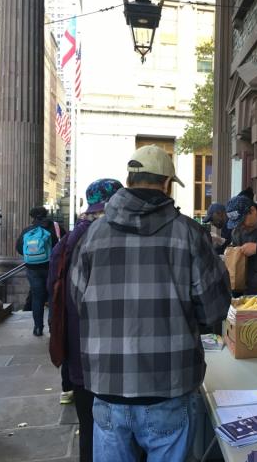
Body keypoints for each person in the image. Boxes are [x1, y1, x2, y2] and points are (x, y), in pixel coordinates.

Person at [69, 145, 231, 461]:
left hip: (109, 382)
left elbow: (78, 301)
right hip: (169, 383)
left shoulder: (93, 235)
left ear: (129, 180)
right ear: (167, 184)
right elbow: (214, 307)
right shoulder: (188, 233)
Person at [47, 178, 123, 462]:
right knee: (113, 432)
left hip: (77, 349)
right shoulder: (108, 237)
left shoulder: (68, 240)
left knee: (89, 429)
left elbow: (53, 293)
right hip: (109, 352)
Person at [16, 206, 65, 336]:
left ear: (32, 216)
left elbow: (20, 249)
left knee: (37, 298)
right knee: (52, 296)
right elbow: (65, 244)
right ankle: (52, 326)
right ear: (46, 214)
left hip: (33, 269)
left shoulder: (28, 230)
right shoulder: (56, 227)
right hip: (52, 267)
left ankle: (38, 328)